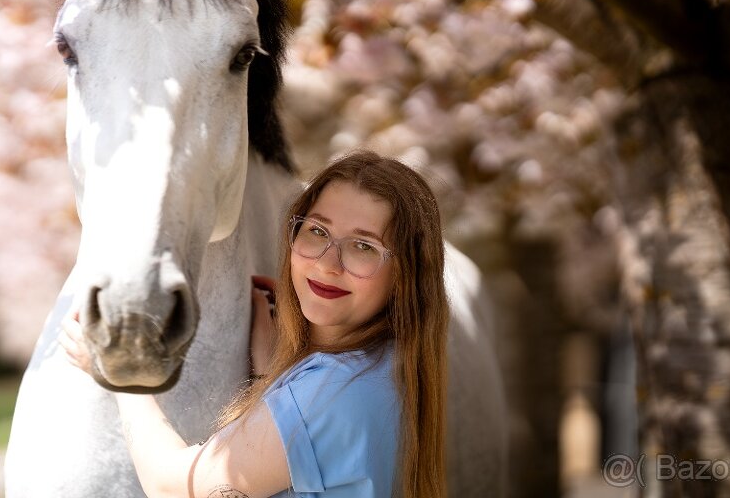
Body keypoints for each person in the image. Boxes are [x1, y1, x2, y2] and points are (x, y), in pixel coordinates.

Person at [59, 150, 449, 498]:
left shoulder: (328, 392)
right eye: (317, 231)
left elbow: (172, 487)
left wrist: (122, 376)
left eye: (364, 246)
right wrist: (275, 371)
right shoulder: (387, 364)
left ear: (406, 275)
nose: (328, 264)